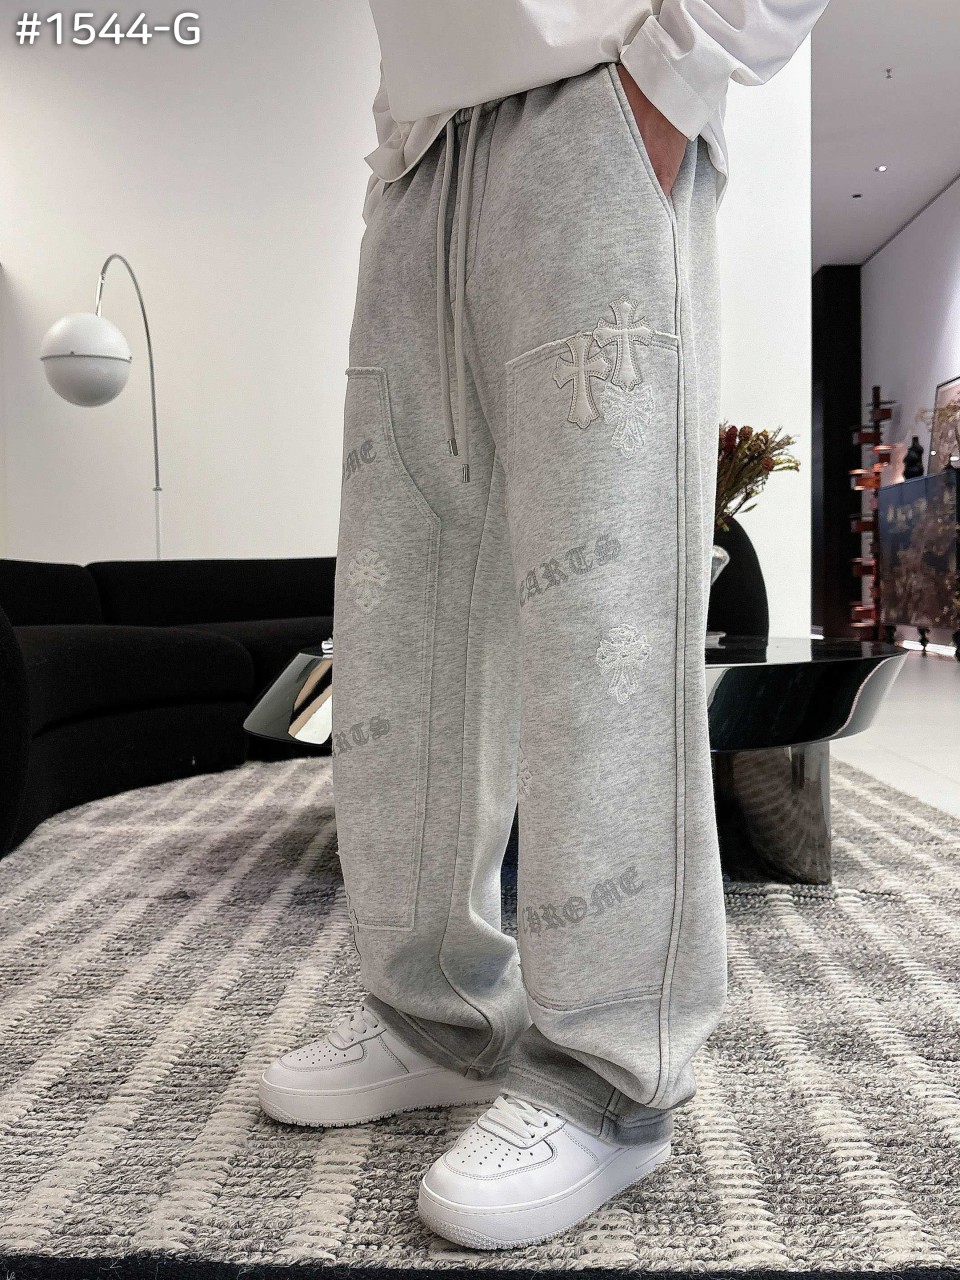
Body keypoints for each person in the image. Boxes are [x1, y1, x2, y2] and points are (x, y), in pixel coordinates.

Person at [261, 0, 829, 1250]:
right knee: (401, 618)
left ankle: (611, 1071)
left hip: (598, 109)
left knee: (603, 634)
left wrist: (680, 72)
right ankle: (436, 1013)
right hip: (424, 160)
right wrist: (397, 139)